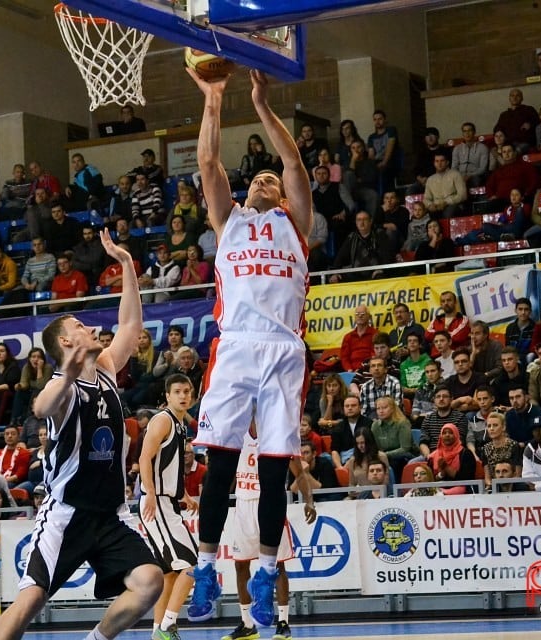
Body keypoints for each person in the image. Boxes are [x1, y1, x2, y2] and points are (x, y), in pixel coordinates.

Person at [185, 67, 312, 630]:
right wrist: (214, 100)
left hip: (283, 347)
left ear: (282, 195)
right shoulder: (229, 220)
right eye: (256, 175)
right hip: (235, 345)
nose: (265, 177)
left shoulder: (296, 223)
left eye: (271, 177)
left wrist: (261, 102)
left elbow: (294, 164)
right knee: (222, 463)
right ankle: (207, 568)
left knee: (276, 468)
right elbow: (208, 165)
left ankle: (264, 575)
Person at [0, 230, 162, 640]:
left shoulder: (103, 367)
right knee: (29, 602)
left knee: (150, 581)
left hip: (108, 514)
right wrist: (67, 370)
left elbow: (131, 324)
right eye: (81, 325)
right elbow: (40, 408)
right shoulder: (62, 386)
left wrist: (125, 265)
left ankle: (95, 639)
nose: (91, 328)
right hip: (66, 514)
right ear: (67, 341)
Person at [225, 421, 316, 640]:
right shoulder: (234, 433)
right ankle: (247, 625)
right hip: (243, 504)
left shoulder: (278, 433)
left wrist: (309, 500)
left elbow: (299, 473)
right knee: (240, 565)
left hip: (269, 503)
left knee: (278, 565)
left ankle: (283, 623)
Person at [137, 374, 199, 640]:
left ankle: (156, 632)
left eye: (187, 391)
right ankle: (167, 627)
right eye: (178, 391)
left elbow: (169, 465)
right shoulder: (163, 420)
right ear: (167, 395)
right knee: (192, 565)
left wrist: (184, 493)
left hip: (168, 500)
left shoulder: (181, 424)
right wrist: (150, 492)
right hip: (157, 501)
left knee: (171, 573)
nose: (183, 396)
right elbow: (144, 457)